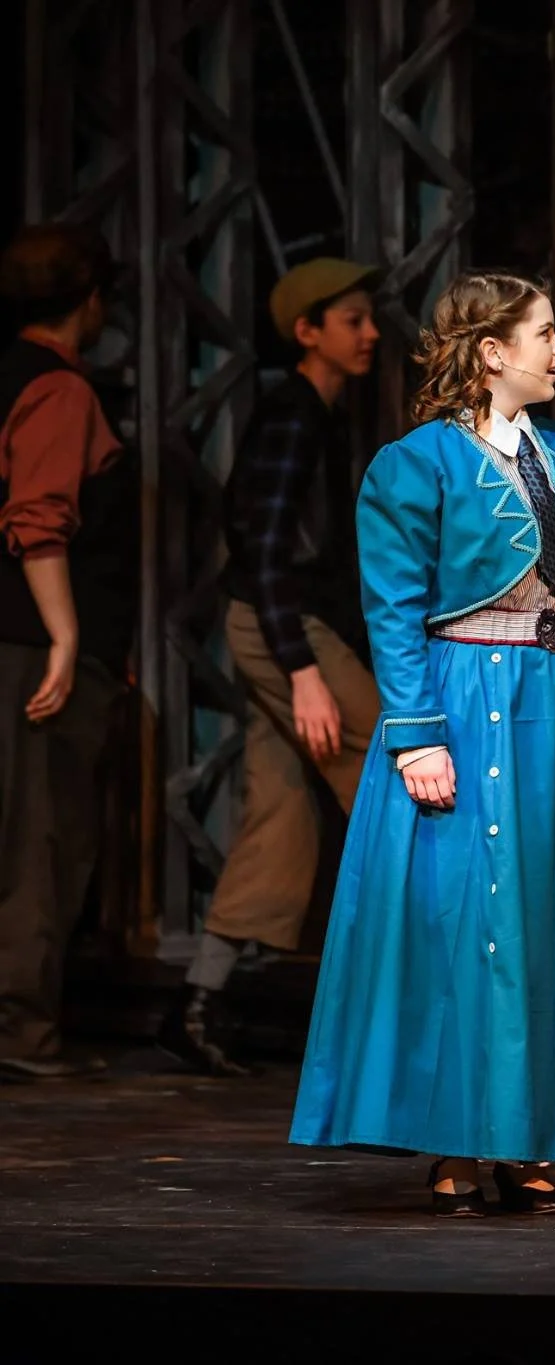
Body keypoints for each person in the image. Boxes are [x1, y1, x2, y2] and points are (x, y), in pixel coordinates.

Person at [289, 271, 555, 1216]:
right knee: (469, 919)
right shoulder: (418, 464)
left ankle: (526, 1139)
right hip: (465, 693)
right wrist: (416, 738)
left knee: (547, 912)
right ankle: (457, 1142)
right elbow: (393, 609)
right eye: (544, 333)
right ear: (491, 352)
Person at [158, 260, 384, 1076]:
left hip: (281, 621)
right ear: (306, 332)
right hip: (282, 623)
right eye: (352, 320)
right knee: (395, 768)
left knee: (280, 810)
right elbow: (262, 547)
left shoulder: (317, 415)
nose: (371, 333)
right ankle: (416, 995)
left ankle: (198, 1001)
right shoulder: (292, 416)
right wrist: (302, 669)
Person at [0, 224, 135, 1082]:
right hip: (28, 644)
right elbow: (38, 519)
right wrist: (67, 636)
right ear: (89, 302)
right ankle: (21, 1030)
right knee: (38, 840)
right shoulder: (58, 388)